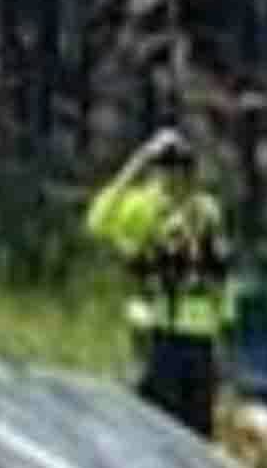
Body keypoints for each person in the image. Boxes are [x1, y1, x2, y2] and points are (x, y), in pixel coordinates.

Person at [86, 123, 234, 435]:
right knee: (159, 427)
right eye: (166, 167)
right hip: (156, 330)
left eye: (181, 167)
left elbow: (218, 273)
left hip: (200, 337)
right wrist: (136, 163)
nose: (174, 176)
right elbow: (98, 222)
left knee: (198, 431)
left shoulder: (206, 210)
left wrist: (224, 330)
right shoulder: (142, 206)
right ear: (155, 171)